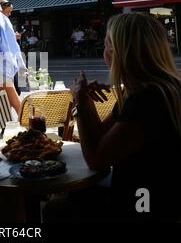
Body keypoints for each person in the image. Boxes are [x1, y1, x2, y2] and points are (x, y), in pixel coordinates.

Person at [67, 12, 181, 222]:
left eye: (106, 44)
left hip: (144, 203)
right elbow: (102, 137)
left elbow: (96, 159)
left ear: (119, 52)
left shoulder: (147, 100)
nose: (104, 51)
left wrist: (79, 104)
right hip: (159, 196)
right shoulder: (155, 88)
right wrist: (85, 101)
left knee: (59, 208)